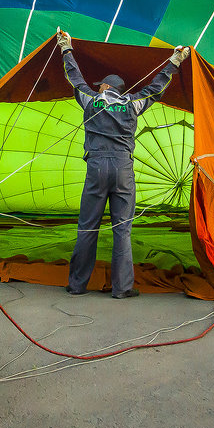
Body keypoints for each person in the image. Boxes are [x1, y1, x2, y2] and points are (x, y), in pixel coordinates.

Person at [56, 30, 190, 298]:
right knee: (122, 230)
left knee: (87, 227)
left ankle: (77, 285)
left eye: (100, 85)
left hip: (96, 167)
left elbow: (75, 78)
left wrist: (66, 48)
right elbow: (156, 88)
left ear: (106, 87)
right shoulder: (133, 104)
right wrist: (174, 61)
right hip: (122, 170)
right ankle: (122, 288)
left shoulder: (90, 101)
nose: (97, 87)